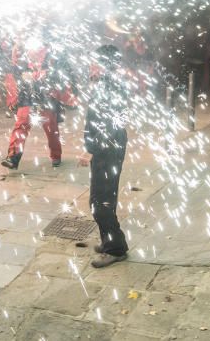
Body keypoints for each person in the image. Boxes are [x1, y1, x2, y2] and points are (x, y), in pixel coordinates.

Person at [81, 44, 129, 268]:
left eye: (95, 62)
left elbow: (106, 124)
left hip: (107, 149)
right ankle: (109, 240)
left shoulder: (109, 87)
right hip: (110, 147)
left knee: (100, 201)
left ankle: (115, 248)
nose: (92, 65)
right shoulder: (108, 83)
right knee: (103, 197)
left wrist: (90, 149)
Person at [1, 39, 67, 170]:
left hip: (46, 99)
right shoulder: (22, 58)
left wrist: (45, 77)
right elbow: (14, 72)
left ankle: (56, 155)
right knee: (20, 127)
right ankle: (13, 158)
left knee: (51, 129)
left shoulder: (52, 57)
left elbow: (59, 75)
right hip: (27, 98)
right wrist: (22, 76)